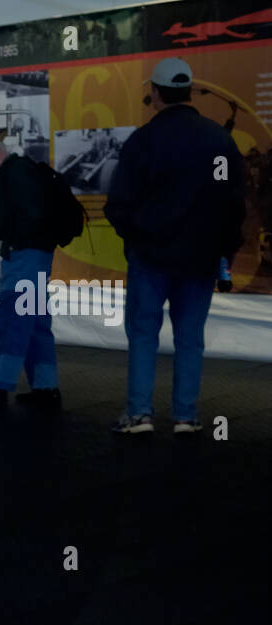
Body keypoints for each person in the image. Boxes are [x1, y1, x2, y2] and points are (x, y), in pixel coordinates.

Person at [104, 57, 246, 434]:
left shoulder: (143, 142)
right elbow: (231, 203)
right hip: (200, 260)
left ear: (155, 94)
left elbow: (118, 204)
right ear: (188, 91)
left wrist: (139, 238)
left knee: (143, 335)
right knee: (189, 339)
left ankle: (139, 415)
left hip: (151, 258)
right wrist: (223, 251)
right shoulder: (219, 142)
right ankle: (186, 416)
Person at [0, 128, 62, 409]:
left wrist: (12, 242)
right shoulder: (24, 171)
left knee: (13, 321)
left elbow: (29, 217)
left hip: (24, 259)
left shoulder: (15, 175)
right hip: (36, 257)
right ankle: (46, 389)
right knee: (35, 323)